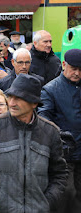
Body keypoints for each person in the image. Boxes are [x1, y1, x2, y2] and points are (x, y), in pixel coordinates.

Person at [0, 74, 68, 213]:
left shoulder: (50, 132)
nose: (11, 103)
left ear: (34, 103)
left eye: (19, 98)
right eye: (10, 97)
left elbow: (59, 174)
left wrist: (46, 202)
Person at [38, 49, 81, 213]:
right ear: (64, 65)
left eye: (80, 69)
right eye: (73, 68)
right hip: (64, 154)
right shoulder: (51, 89)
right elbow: (44, 118)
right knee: (65, 196)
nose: (77, 73)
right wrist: (61, 138)